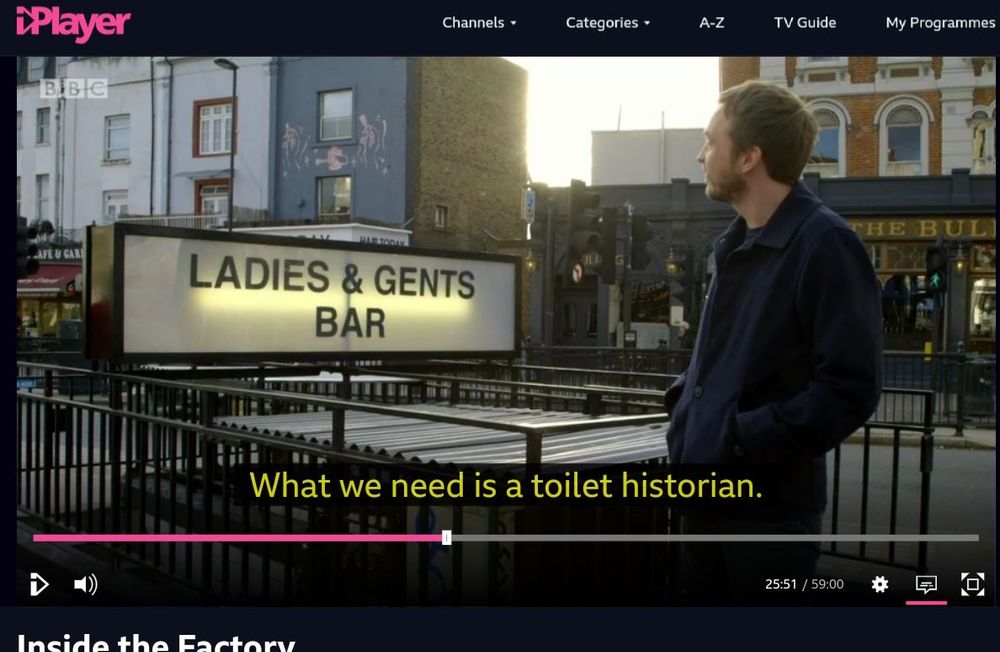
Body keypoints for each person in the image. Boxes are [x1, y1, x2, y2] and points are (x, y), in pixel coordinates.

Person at [663, 80, 882, 604]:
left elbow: (850, 389)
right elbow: (724, 364)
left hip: (766, 517)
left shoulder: (825, 244)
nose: (701, 154)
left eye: (711, 141)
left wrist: (741, 438)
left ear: (749, 158)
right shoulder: (735, 245)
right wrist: (685, 412)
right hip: (703, 498)